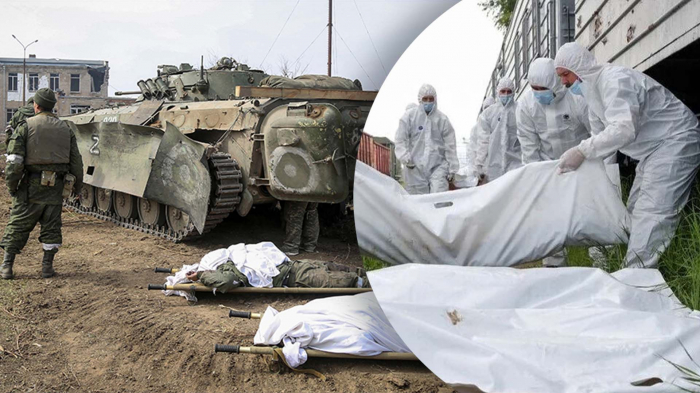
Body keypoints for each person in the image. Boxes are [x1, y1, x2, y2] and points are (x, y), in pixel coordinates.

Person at [554, 42, 700, 268]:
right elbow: (602, 143)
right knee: (632, 211)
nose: (563, 83)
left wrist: (582, 150)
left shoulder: (614, 80)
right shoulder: (591, 94)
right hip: (653, 150)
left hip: (675, 139)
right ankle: (625, 266)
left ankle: (635, 279)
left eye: (565, 75)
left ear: (579, 67)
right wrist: (592, 177)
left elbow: (623, 128)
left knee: (651, 212)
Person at [0, 88, 84, 279]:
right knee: (52, 228)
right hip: (55, 189)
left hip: (30, 188)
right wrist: (77, 188)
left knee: (18, 225)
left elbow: (14, 162)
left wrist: (12, 187)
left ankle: (7, 267)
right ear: (52, 107)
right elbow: (76, 163)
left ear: (36, 106)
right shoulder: (66, 129)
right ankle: (47, 267)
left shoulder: (25, 126)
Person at [394, 84, 459, 194]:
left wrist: (452, 168)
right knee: (418, 202)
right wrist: (405, 157)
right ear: (420, 99)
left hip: (438, 167)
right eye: (425, 99)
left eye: (431, 99)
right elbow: (400, 139)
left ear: (435, 99)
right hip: (415, 167)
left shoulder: (442, 119)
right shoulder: (410, 117)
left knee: (438, 198)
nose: (428, 102)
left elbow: (450, 145)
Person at [185, 259, 370, 291]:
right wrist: (202, 275)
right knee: (352, 279)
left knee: (352, 277)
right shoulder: (235, 264)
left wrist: (201, 275)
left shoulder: (231, 268)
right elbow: (226, 280)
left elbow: (224, 281)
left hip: (298, 271)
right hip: (297, 268)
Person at [475, 77, 522, 182]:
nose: (506, 94)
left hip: (515, 163)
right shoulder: (488, 114)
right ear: (498, 92)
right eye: (503, 91)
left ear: (513, 92)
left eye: (509, 91)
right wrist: (480, 163)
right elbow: (483, 140)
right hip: (494, 166)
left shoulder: (520, 110)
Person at [466, 97, 496, 178]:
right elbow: (471, 151)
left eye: (491, 107)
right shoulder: (476, 129)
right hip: (482, 171)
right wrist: (474, 170)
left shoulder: (499, 126)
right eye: (486, 108)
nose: (488, 110)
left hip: (497, 170)